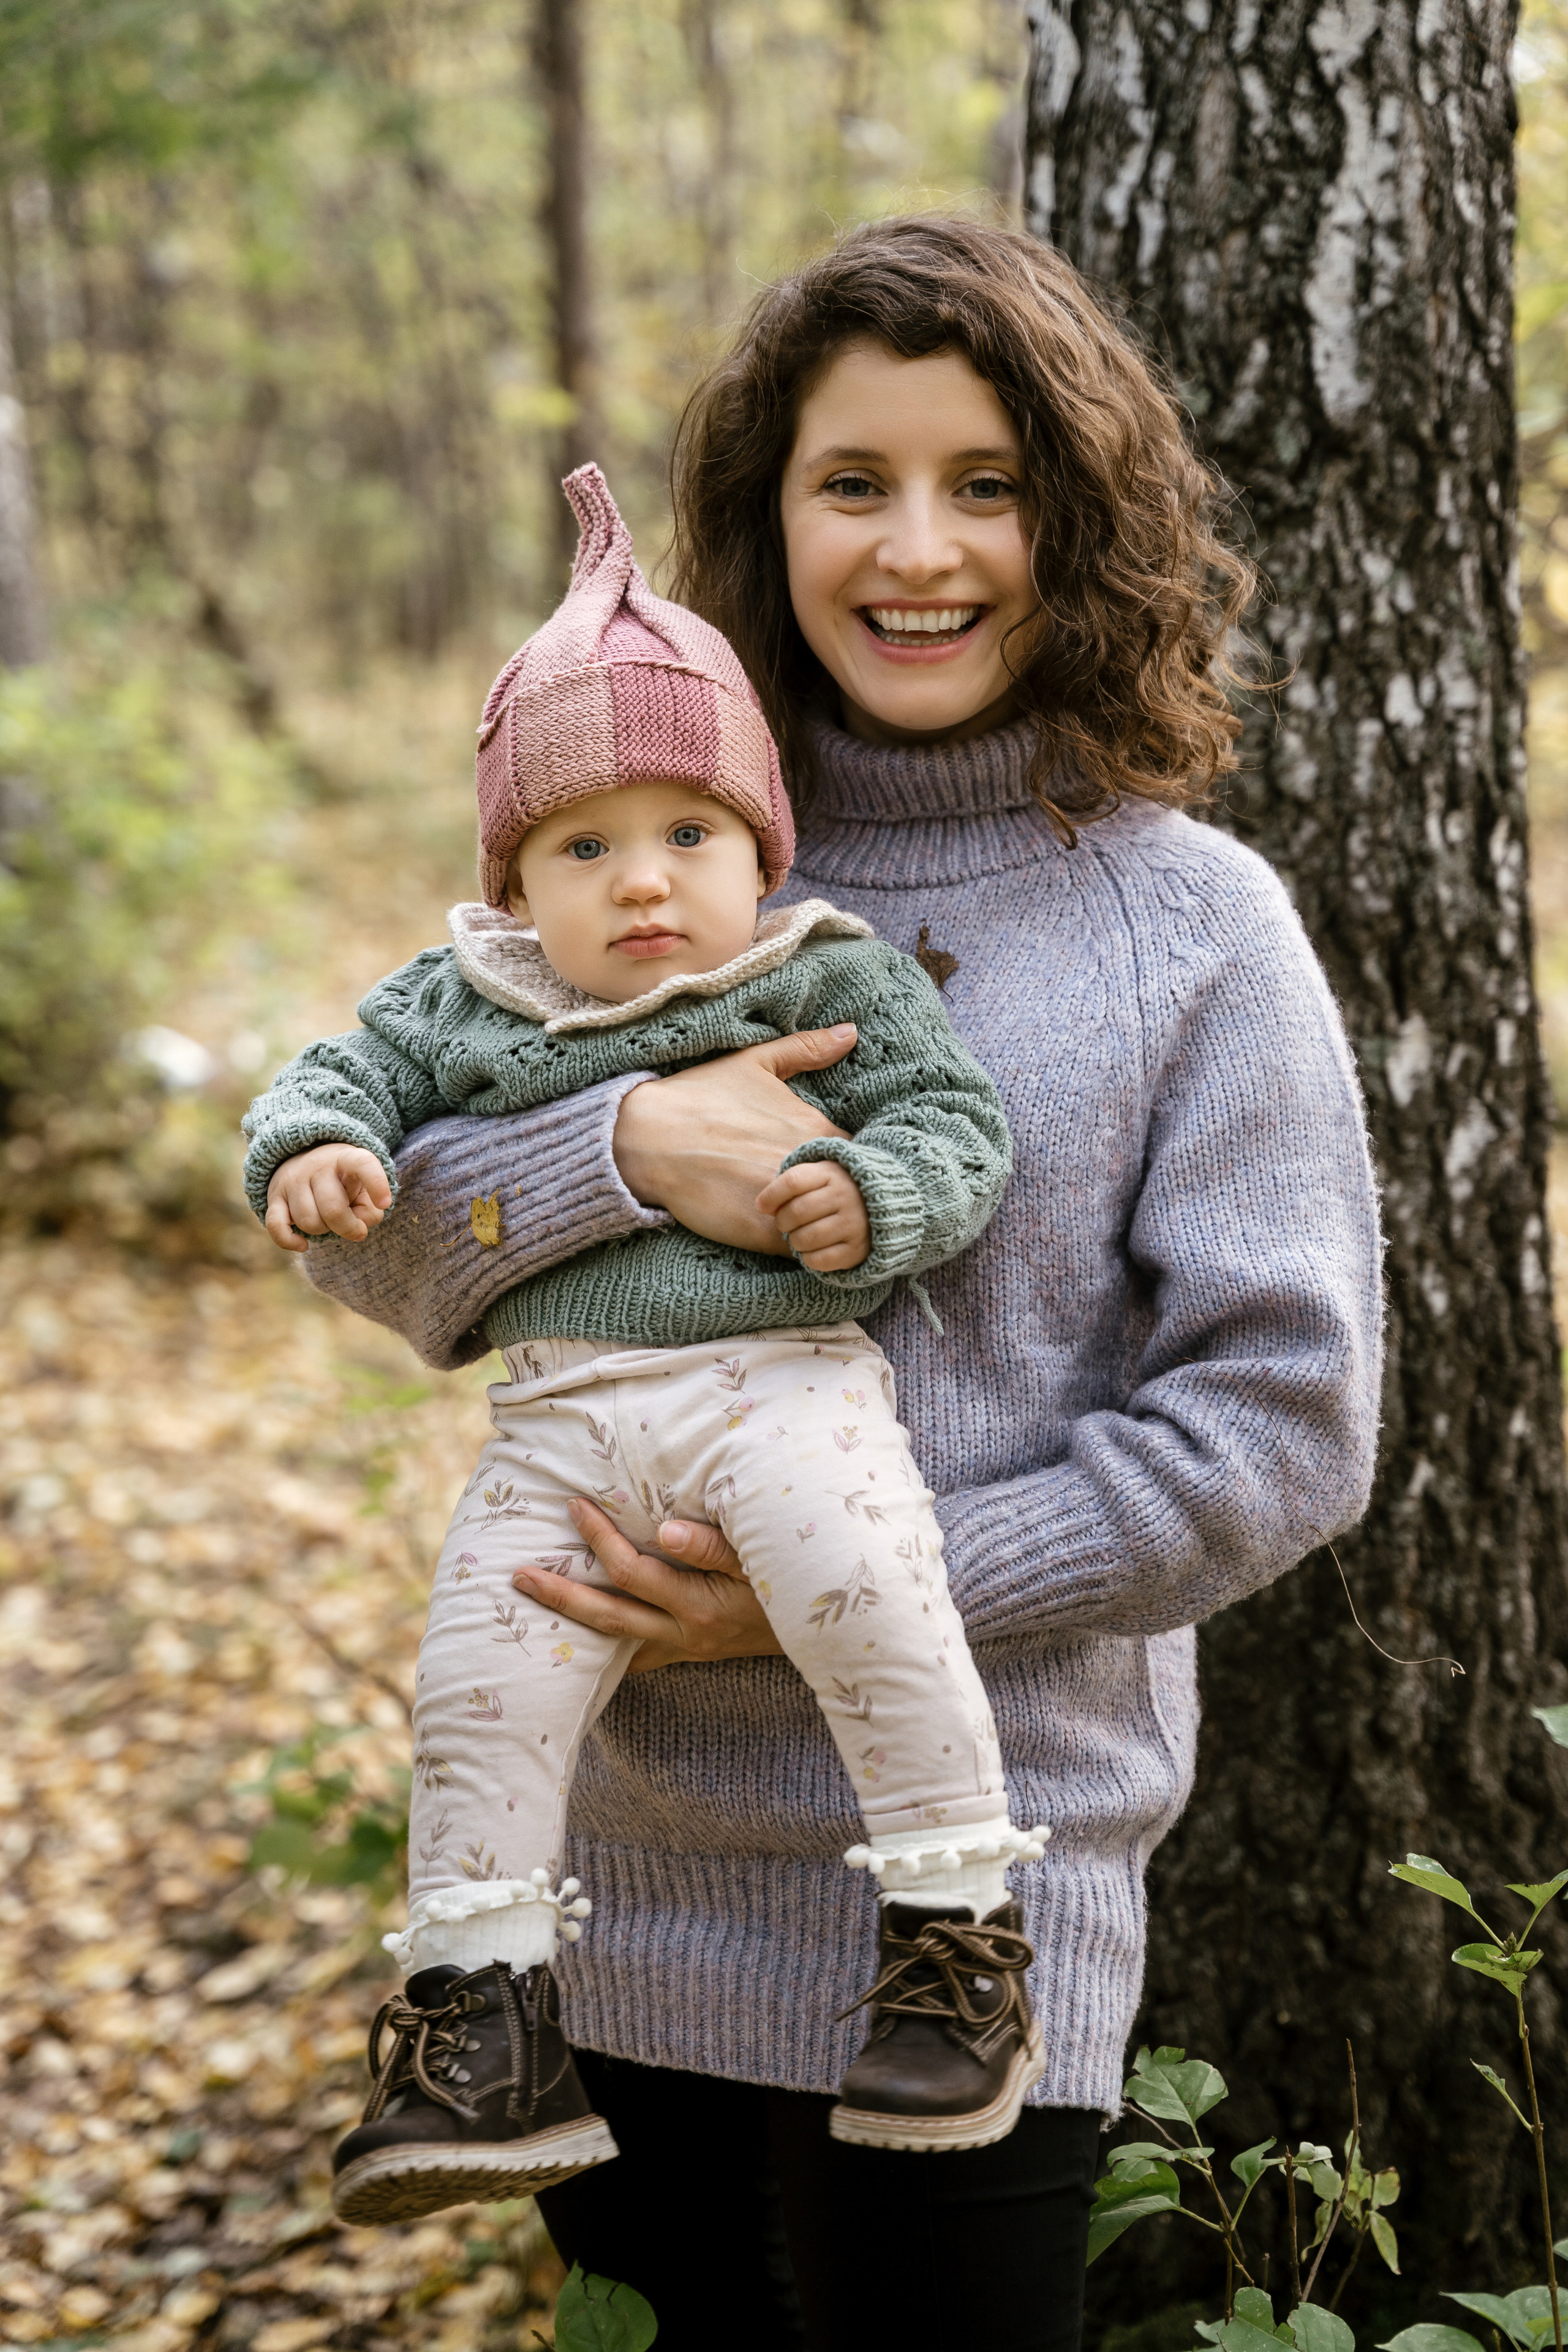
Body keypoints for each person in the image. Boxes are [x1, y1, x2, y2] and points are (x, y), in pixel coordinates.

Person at [288, 219, 1383, 2351]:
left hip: (975, 1913)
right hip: (626, 1866)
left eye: (987, 485)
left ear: (1079, 522)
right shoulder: (645, 858)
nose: (922, 549)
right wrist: (617, 1149)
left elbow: (1282, 1425)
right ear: (765, 520)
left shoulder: (1194, 927)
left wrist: (858, 1574)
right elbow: (389, 1257)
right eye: (852, 481)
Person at [244, 464, 1054, 2226]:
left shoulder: (819, 973)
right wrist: (315, 1151)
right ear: (514, 877)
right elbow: (338, 1084)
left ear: (758, 846)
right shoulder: (468, 1000)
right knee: (481, 1684)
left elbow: (952, 1128)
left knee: (874, 1594)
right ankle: (480, 2013)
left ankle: (957, 1929)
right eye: (582, 847)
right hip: (559, 1423)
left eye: (686, 836)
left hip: (786, 1393)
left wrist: (873, 1201)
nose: (640, 885)